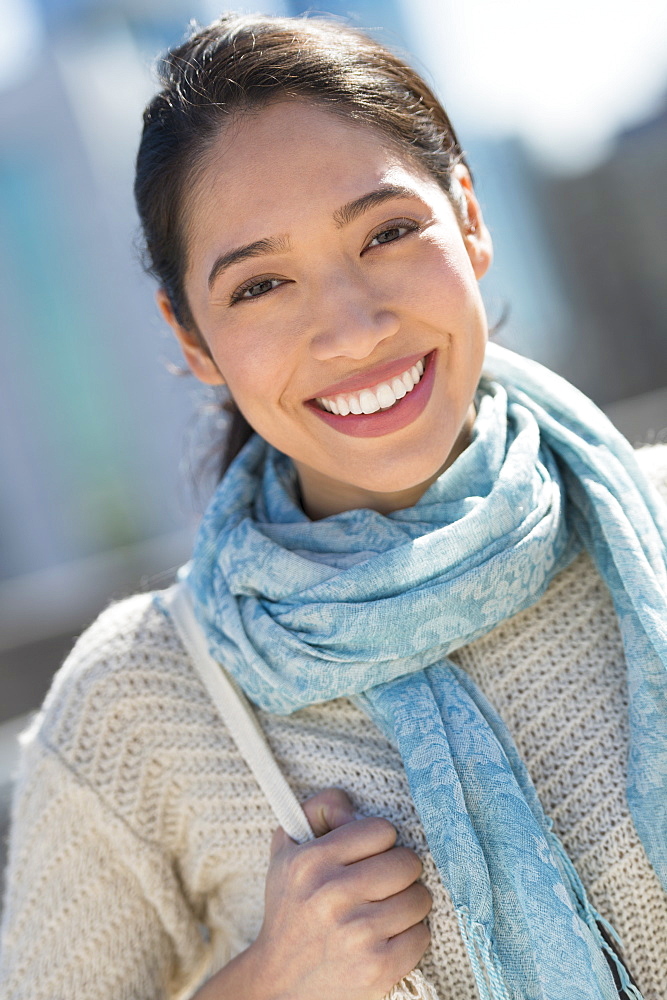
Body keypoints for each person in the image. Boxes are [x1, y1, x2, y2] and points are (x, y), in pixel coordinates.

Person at [1, 11, 666, 1000]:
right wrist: (271, 981)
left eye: (387, 232)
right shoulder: (139, 699)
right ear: (191, 342)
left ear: (469, 222)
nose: (353, 330)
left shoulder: (653, 523)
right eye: (263, 285)